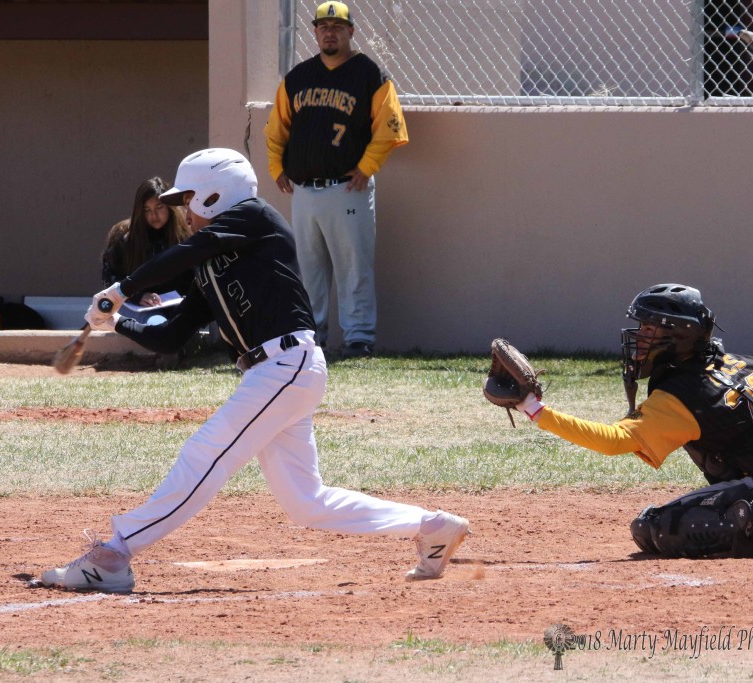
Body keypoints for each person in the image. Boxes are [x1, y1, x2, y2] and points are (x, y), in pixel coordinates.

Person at [41, 148, 470, 593]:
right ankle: (433, 527)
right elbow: (172, 335)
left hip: (286, 362)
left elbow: (191, 249)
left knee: (203, 454)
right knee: (307, 502)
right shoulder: (211, 261)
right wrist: (118, 320)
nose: (184, 211)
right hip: (278, 372)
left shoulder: (253, 218)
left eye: (189, 198)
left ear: (215, 194)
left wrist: (122, 287)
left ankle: (113, 554)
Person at [511, 283, 753, 559]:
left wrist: (534, 408)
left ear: (676, 337)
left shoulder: (679, 395)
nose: (638, 337)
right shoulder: (742, 363)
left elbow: (612, 440)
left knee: (651, 527)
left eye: (648, 329)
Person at [263, 1, 408, 359]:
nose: (330, 32)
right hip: (305, 190)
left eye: (337, 27)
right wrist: (276, 167)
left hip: (348, 187)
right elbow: (276, 128)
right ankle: (311, 338)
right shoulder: (297, 78)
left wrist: (367, 166)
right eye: (323, 26)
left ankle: (359, 338)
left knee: (353, 267)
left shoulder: (369, 74)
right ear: (314, 32)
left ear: (350, 32)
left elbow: (389, 129)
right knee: (309, 269)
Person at [101, 176, 193, 307]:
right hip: (137, 306)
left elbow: (198, 277)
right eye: (147, 210)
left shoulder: (187, 233)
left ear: (169, 207)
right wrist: (136, 296)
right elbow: (110, 280)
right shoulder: (124, 236)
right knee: (155, 323)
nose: (153, 216)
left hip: (180, 306)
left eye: (159, 207)